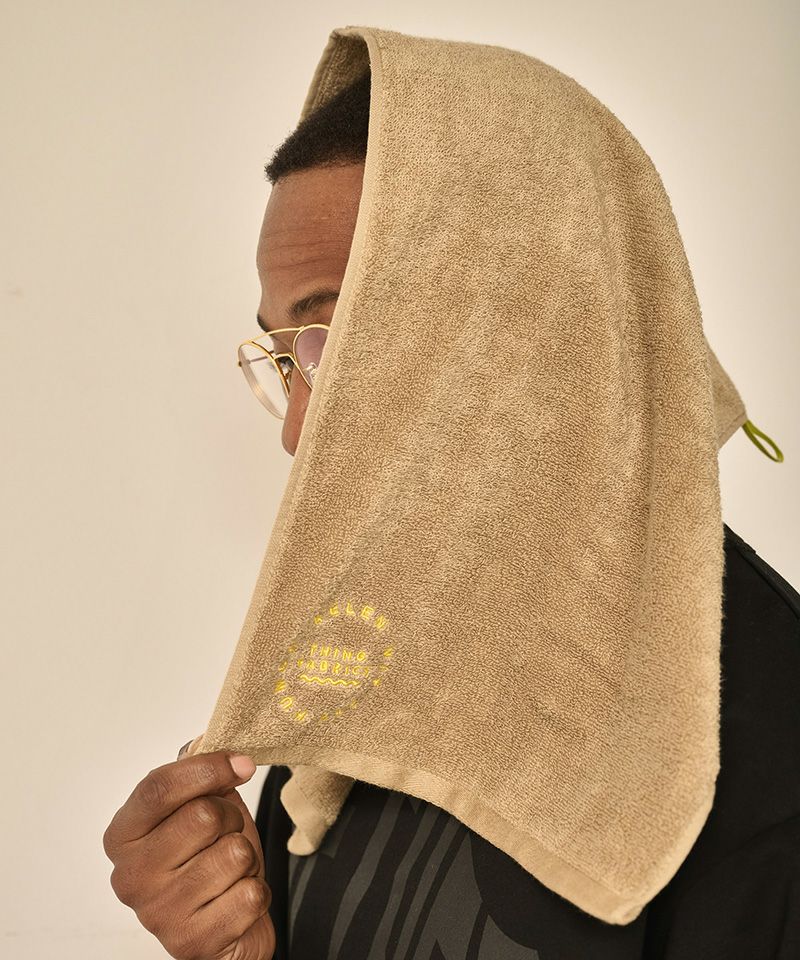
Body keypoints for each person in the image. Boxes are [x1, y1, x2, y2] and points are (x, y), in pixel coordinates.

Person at [103, 68, 799, 960]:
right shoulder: (355, 678)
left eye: (338, 343)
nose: (298, 432)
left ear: (542, 325)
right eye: (287, 358)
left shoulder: (762, 754)